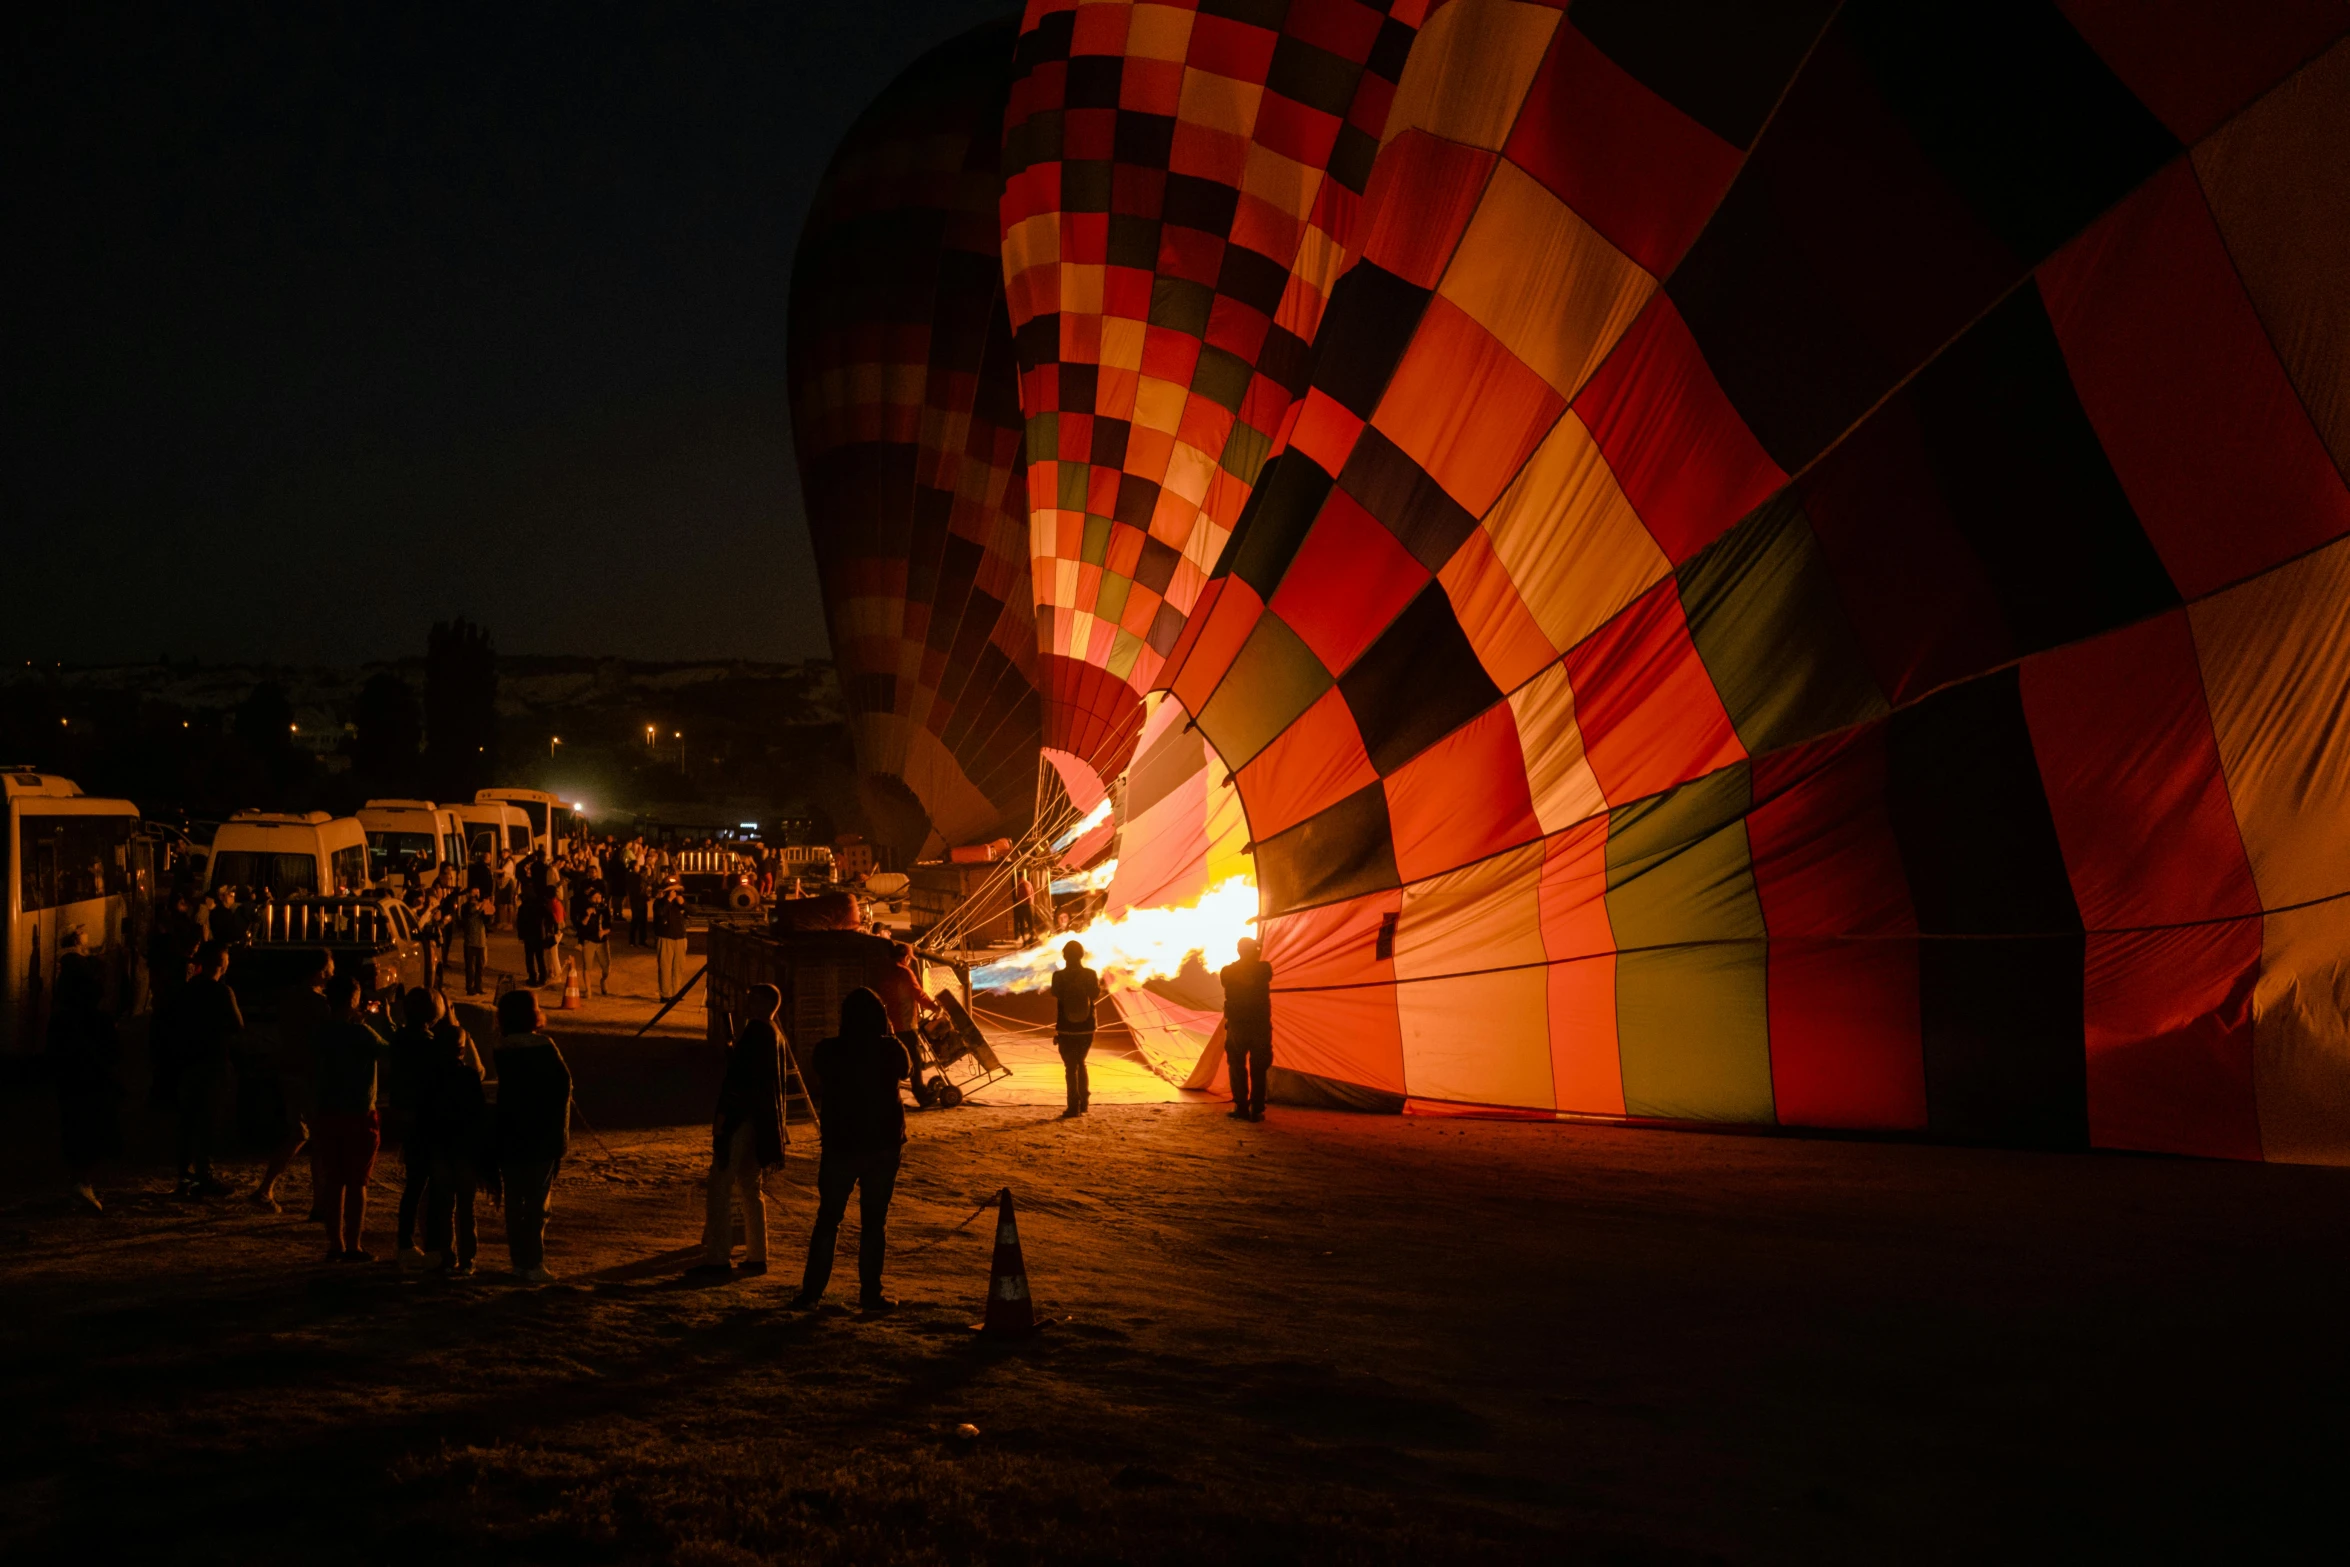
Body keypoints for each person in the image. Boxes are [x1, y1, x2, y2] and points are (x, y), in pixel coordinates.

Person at [789, 988, 908, 1313]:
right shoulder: (890, 1049)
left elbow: (822, 1070)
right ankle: (870, 1294)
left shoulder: (829, 1050)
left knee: (828, 1219)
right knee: (873, 1222)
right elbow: (907, 1070)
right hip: (883, 1143)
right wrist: (890, 1036)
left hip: (841, 1143)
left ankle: (811, 1293)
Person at [691, 984, 787, 1278]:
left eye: (751, 998)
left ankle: (718, 1258)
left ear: (761, 1002)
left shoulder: (755, 1033)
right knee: (750, 1189)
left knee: (720, 1187)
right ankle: (757, 1255)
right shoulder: (774, 1034)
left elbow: (738, 1082)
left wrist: (723, 1120)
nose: (745, 1002)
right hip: (762, 1122)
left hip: (742, 1120)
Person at [311, 974, 394, 1260]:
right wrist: (386, 1020)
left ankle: (335, 1244)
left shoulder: (322, 1032)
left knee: (334, 1181)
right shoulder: (361, 1034)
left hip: (328, 1111)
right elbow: (391, 1050)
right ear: (354, 1000)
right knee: (358, 1182)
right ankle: (354, 1244)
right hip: (359, 1113)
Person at [492, 989, 571, 1283]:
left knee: (515, 1200)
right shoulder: (544, 1046)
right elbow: (563, 1085)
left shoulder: (502, 1047)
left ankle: (518, 1261)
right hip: (541, 1137)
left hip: (510, 1134)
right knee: (537, 1203)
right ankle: (534, 1262)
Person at [250, 949, 330, 1213]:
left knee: (300, 1133)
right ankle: (320, 1204)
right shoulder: (318, 1003)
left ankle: (265, 1189)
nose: (333, 971)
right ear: (319, 970)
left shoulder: (290, 998)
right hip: (309, 1073)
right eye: (330, 966)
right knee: (318, 1139)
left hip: (289, 1070)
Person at [413, 999, 488, 1276]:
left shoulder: (430, 1077)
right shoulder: (468, 1077)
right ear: (461, 1050)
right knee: (466, 1209)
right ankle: (468, 1259)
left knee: (442, 1205)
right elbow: (478, 1113)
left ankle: (446, 1254)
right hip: (464, 1149)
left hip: (440, 1148)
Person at [46, 954, 121, 1213]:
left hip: (70, 1083)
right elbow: (113, 1052)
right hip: (92, 1083)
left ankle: (78, 1181)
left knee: (74, 1129)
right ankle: (82, 1183)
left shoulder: (60, 1018)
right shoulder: (97, 1019)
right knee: (91, 1132)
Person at [174, 941, 244, 1197]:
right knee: (209, 1119)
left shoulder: (188, 989)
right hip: (213, 1061)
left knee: (188, 1119)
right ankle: (206, 1175)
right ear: (221, 965)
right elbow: (238, 1026)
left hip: (188, 1060)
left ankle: (185, 1175)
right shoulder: (223, 993)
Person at [386, 988, 441, 1268]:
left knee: (414, 1184)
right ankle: (420, 1243)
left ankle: (406, 1242)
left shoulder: (400, 1039)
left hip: (405, 1117)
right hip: (426, 1120)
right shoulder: (430, 1044)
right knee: (425, 1185)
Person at [1219, 936, 1274, 1122]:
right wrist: (1257, 948)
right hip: (1259, 1026)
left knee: (1237, 1066)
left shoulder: (1228, 971)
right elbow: (1254, 976)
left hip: (1238, 1025)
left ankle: (1241, 1106)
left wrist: (1255, 947)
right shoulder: (1263, 969)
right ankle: (1256, 1108)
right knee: (1258, 1068)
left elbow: (1240, 977)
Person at [1050, 940, 1101, 1118]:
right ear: (1082, 955)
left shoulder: (1058, 976)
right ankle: (1084, 1103)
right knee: (1081, 1062)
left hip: (1066, 1027)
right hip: (1087, 1026)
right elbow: (1094, 994)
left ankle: (1073, 1106)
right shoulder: (1090, 974)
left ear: (1064, 956)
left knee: (1070, 1067)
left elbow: (1055, 993)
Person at [653, 881, 690, 1002]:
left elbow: (694, 911)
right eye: (672, 890)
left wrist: (683, 903)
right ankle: (665, 994)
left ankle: (676, 992)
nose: (675, 893)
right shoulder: (659, 902)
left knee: (678, 967)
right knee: (665, 966)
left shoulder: (679, 903)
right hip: (665, 937)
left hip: (680, 937)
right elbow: (660, 913)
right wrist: (668, 900)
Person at [577, 889, 612, 996]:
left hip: (602, 942)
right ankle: (588, 990)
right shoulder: (584, 909)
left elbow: (610, 926)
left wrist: (604, 932)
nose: (597, 900)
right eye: (594, 897)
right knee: (587, 966)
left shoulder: (604, 909)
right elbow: (581, 925)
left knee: (607, 966)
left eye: (599, 897)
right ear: (590, 899)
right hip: (589, 941)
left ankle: (603, 980)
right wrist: (587, 915)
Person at [460, 889, 491, 995]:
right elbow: (468, 916)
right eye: (473, 892)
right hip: (470, 941)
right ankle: (470, 987)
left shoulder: (480, 906)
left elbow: (487, 920)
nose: (476, 895)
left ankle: (478, 986)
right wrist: (479, 908)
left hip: (481, 940)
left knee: (480, 967)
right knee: (470, 967)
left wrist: (486, 909)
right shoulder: (466, 907)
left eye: (477, 892)